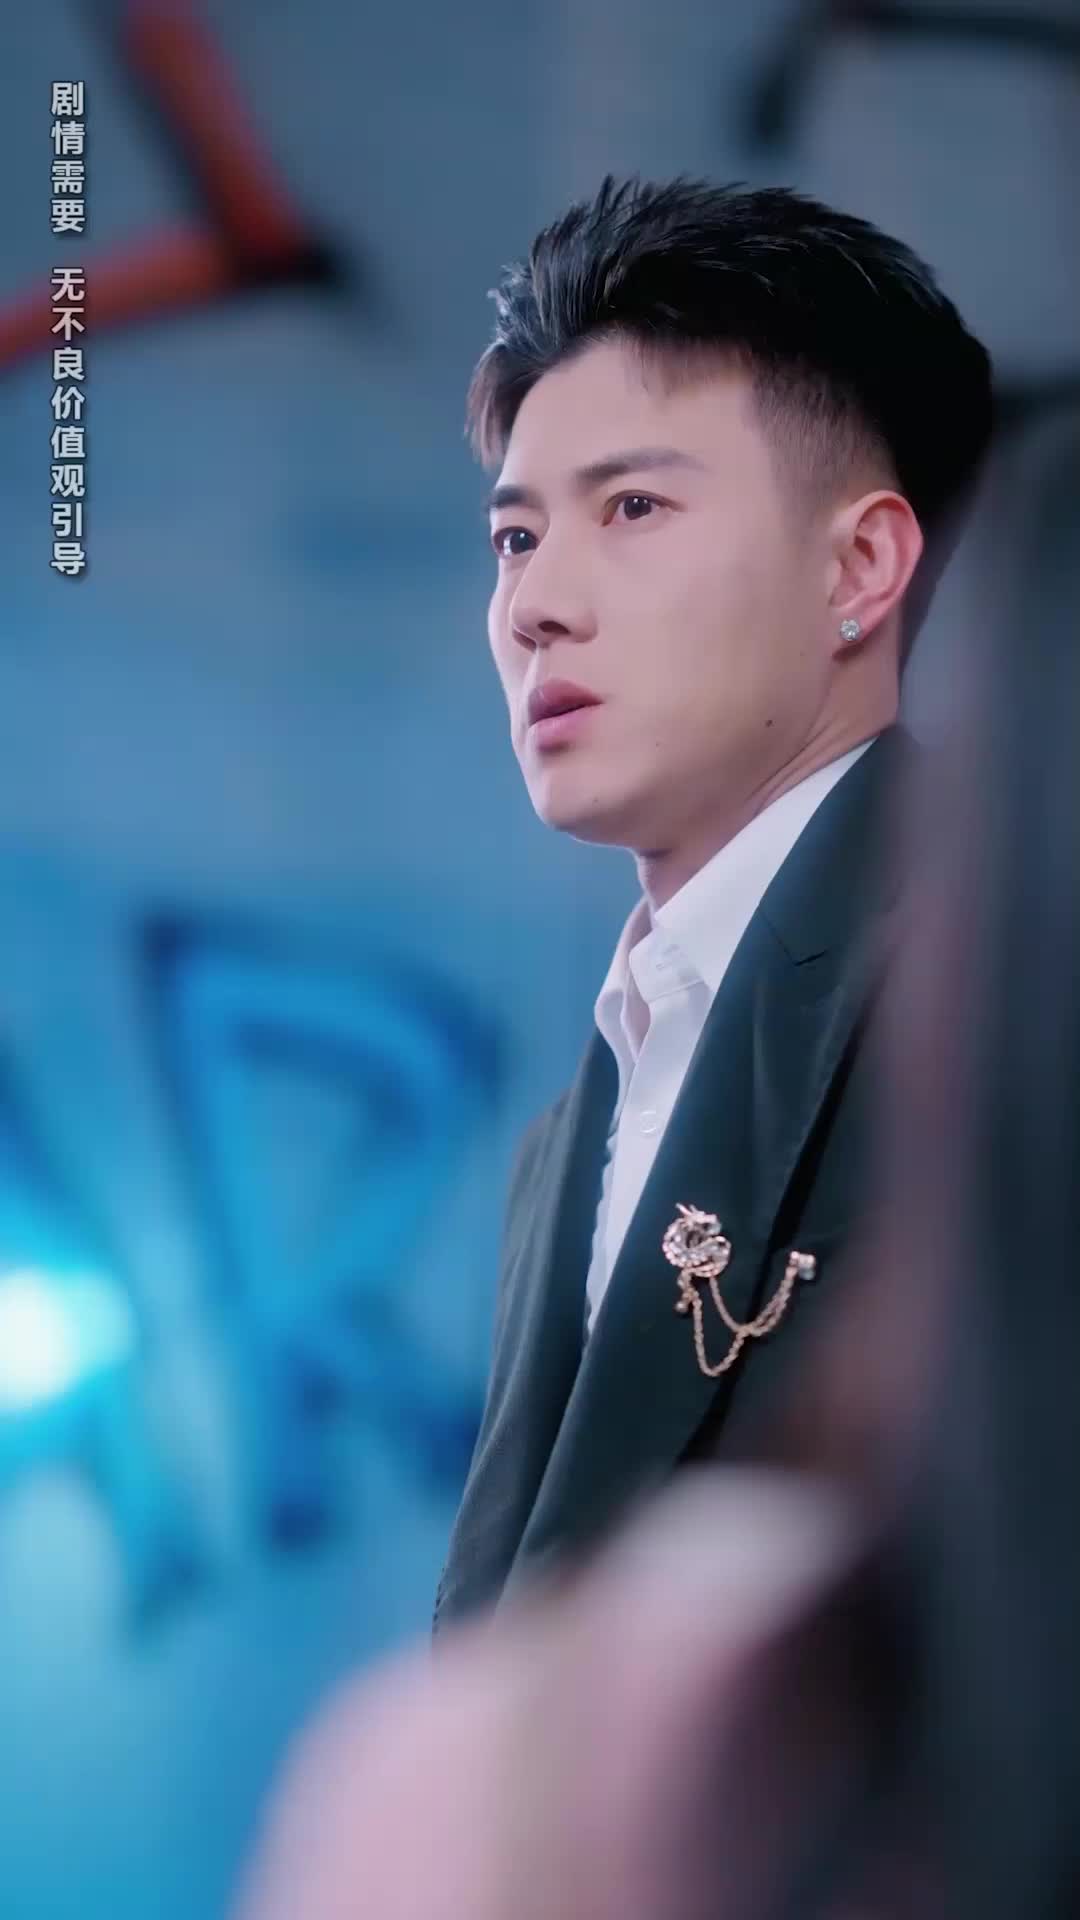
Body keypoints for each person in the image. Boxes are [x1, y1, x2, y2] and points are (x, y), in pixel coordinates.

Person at [433, 174, 993, 1631]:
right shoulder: (572, 1133)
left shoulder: (995, 997)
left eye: (633, 507)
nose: (537, 603)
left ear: (858, 565)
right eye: (515, 538)